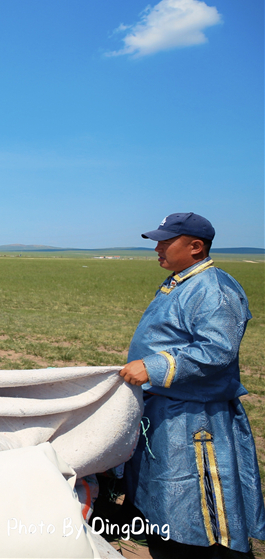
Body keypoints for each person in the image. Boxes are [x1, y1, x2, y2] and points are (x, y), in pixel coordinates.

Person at [119, 213, 265, 557]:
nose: (157, 248)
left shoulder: (213, 289)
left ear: (195, 246)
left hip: (196, 418)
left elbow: (216, 351)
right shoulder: (182, 281)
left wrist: (153, 366)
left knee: (198, 504)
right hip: (168, 407)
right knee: (166, 497)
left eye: (166, 242)